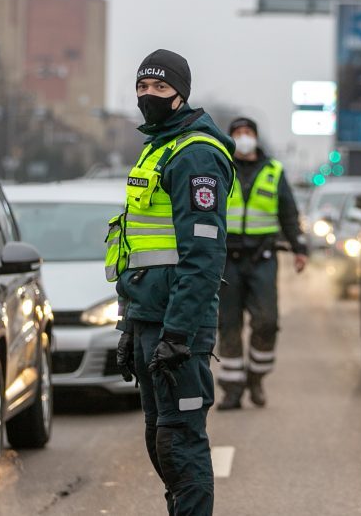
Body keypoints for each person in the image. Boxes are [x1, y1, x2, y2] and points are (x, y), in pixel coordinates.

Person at [110, 49, 235, 515]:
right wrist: (129, 324)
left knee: (180, 441)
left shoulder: (196, 154)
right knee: (160, 440)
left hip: (178, 326)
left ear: (181, 94)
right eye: (142, 87)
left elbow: (203, 255)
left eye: (160, 88)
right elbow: (137, 248)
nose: (149, 96)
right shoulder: (156, 147)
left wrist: (179, 332)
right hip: (149, 320)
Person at [215, 117, 308, 411]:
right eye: (237, 133)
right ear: (231, 138)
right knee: (228, 325)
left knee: (267, 322)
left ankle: (256, 376)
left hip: (262, 259)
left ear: (255, 137)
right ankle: (232, 389)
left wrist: (298, 247)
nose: (243, 138)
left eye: (247, 133)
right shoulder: (220, 167)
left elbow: (288, 213)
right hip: (227, 259)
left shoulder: (273, 171)